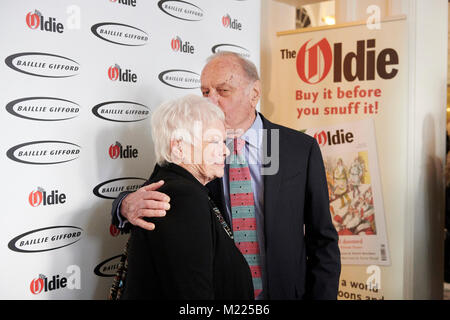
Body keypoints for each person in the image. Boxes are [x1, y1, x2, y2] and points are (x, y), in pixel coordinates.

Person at [111, 52, 341, 300]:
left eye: (223, 91)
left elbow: (322, 240)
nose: (211, 101)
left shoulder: (299, 149)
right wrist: (124, 206)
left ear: (254, 94)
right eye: (206, 92)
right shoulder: (194, 151)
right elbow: (163, 186)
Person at [119, 94, 253, 299]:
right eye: (215, 141)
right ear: (179, 146)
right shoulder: (183, 197)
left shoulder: (173, 185)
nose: (225, 151)